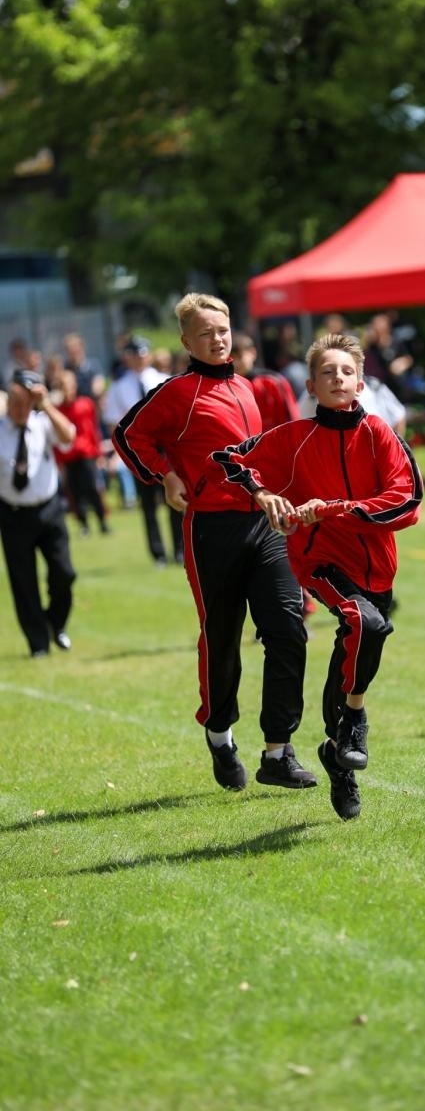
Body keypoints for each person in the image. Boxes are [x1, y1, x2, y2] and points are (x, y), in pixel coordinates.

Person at [212, 333, 423, 821]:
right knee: (362, 624)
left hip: (377, 566)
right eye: (327, 372)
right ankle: (353, 720)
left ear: (361, 381)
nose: (337, 379)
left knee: (361, 637)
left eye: (345, 371)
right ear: (310, 384)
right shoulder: (292, 436)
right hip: (320, 563)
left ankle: (335, 752)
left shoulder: (380, 435)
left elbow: (407, 503)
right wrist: (264, 495)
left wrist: (333, 509)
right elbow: (230, 459)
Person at [113, 293, 315, 793]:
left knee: (289, 628)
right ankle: (220, 734)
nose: (218, 339)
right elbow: (127, 435)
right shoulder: (176, 393)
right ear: (186, 341)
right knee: (223, 640)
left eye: (222, 330)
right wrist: (164, 476)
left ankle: (277, 750)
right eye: (206, 334)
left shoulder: (247, 387)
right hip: (211, 530)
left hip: (264, 527)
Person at [0, 368, 77, 656]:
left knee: (64, 572)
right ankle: (38, 644)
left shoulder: (43, 422)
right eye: (15, 403)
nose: (20, 410)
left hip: (48, 510)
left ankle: (55, 622)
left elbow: (69, 436)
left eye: (26, 403)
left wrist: (45, 404)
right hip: (12, 513)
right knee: (23, 581)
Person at [103, 336, 184, 565]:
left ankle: (179, 549)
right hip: (138, 448)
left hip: (165, 447)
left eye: (142, 353)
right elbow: (113, 422)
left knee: (174, 497)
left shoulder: (163, 380)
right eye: (134, 354)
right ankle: (158, 553)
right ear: (127, 357)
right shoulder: (118, 387)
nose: (139, 358)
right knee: (147, 503)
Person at [55, 369, 111, 535]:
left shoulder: (85, 404)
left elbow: (94, 430)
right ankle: (83, 524)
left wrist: (99, 453)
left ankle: (103, 521)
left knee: (93, 488)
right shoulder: (58, 410)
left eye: (69, 386)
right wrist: (58, 460)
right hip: (69, 456)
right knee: (75, 491)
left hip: (87, 453)